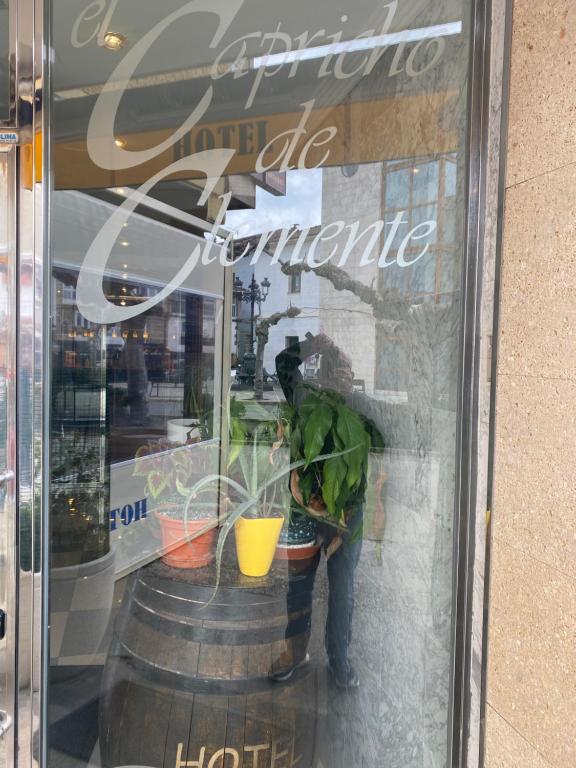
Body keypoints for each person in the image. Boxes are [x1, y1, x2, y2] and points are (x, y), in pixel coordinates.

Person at [272, 333, 364, 690]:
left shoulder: (360, 406)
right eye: (335, 367)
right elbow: (282, 363)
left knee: (344, 592)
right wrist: (315, 345)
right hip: (304, 511)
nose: (343, 374)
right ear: (322, 374)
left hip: (347, 516)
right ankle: (294, 654)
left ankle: (339, 659)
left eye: (346, 368)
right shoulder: (305, 397)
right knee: (298, 587)